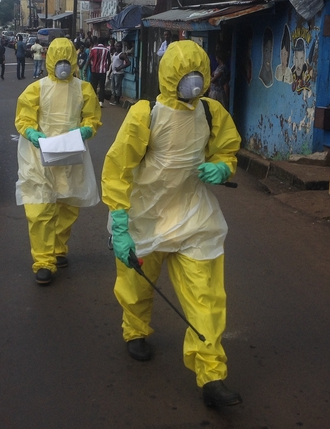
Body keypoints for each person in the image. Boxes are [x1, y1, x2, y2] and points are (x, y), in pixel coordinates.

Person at [101, 40, 242, 407]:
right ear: (169, 76)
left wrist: (223, 167)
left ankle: (211, 374)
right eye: (186, 77)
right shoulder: (144, 114)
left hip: (194, 216)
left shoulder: (211, 112)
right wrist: (119, 221)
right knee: (137, 286)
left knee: (206, 298)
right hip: (145, 216)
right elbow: (119, 167)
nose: (193, 84)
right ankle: (135, 330)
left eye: (198, 76)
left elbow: (226, 149)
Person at [14, 38, 102, 285]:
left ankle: (58, 249)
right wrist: (31, 132)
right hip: (39, 155)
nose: (63, 65)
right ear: (50, 59)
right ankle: (43, 260)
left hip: (70, 154)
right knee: (40, 206)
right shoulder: (36, 89)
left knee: (67, 204)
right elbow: (24, 118)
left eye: (67, 60)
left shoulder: (83, 89)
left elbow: (92, 117)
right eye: (59, 60)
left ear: (73, 60)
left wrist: (87, 130)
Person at [89, 38, 110, 107]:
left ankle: (94, 101)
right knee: (102, 86)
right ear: (104, 42)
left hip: (94, 70)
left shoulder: (93, 49)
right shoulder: (106, 50)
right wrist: (107, 68)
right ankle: (101, 101)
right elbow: (109, 60)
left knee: (94, 86)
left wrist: (88, 68)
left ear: (97, 42)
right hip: (102, 71)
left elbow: (89, 59)